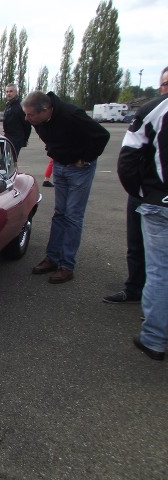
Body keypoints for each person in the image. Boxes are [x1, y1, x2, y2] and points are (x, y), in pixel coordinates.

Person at [23, 90, 110, 284]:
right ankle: (52, 258)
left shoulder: (71, 115)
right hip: (60, 166)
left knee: (73, 216)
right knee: (60, 213)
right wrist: (53, 151)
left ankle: (67, 265)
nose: (27, 118)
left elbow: (102, 135)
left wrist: (85, 159)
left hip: (79, 170)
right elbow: (49, 138)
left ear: (45, 110)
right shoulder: (39, 121)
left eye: (30, 114)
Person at [117, 66, 168, 361]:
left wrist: (139, 193)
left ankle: (154, 340)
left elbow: (128, 156)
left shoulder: (155, 109)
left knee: (159, 271)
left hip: (158, 200)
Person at [3, 83, 31, 158]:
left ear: (16, 92)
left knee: (11, 163)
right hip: (8, 139)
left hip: (16, 140)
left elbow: (27, 124)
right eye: (7, 91)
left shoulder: (20, 106)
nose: (8, 93)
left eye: (11, 91)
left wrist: (25, 139)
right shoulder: (9, 105)